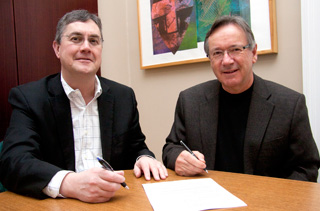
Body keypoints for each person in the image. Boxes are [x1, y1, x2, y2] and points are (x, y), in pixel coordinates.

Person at [0, 9, 167, 203]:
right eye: (76, 39)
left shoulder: (123, 96)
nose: (86, 47)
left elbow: (136, 146)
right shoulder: (29, 98)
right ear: (57, 48)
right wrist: (69, 183)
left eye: (94, 41)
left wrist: (143, 158)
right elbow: (14, 161)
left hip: (114, 203)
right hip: (57, 204)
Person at [162, 15, 320, 182]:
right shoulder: (190, 100)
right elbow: (171, 148)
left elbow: (306, 167)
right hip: (208, 202)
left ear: (253, 53)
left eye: (235, 49)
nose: (227, 61)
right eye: (217, 53)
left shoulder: (290, 104)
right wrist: (178, 157)